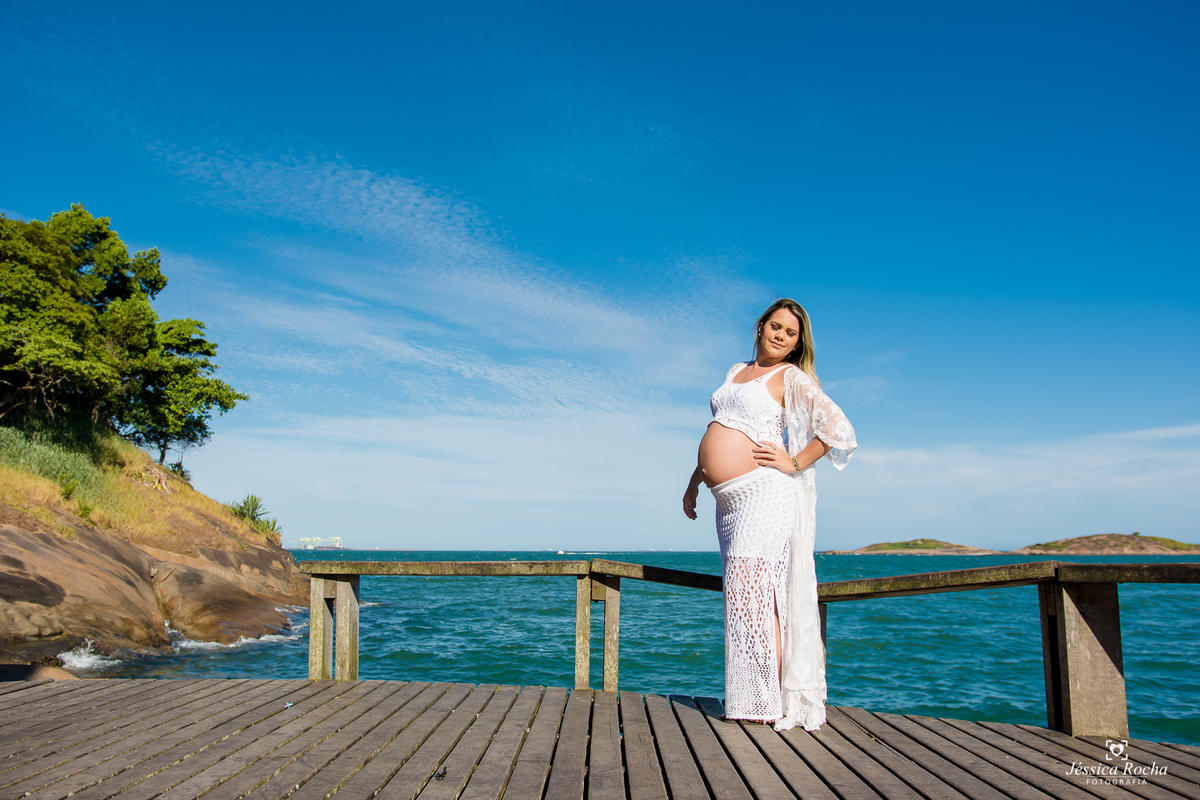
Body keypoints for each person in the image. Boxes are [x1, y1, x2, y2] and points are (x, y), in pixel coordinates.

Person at [682, 298, 856, 731]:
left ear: (798, 343)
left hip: (763, 494)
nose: (780, 335)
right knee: (744, 596)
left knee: (755, 596)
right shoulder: (734, 370)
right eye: (775, 326)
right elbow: (722, 427)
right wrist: (695, 480)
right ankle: (750, 699)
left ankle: (764, 703)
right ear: (760, 327)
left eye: (790, 332)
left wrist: (794, 462)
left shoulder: (790, 377)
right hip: (727, 500)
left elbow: (837, 430)